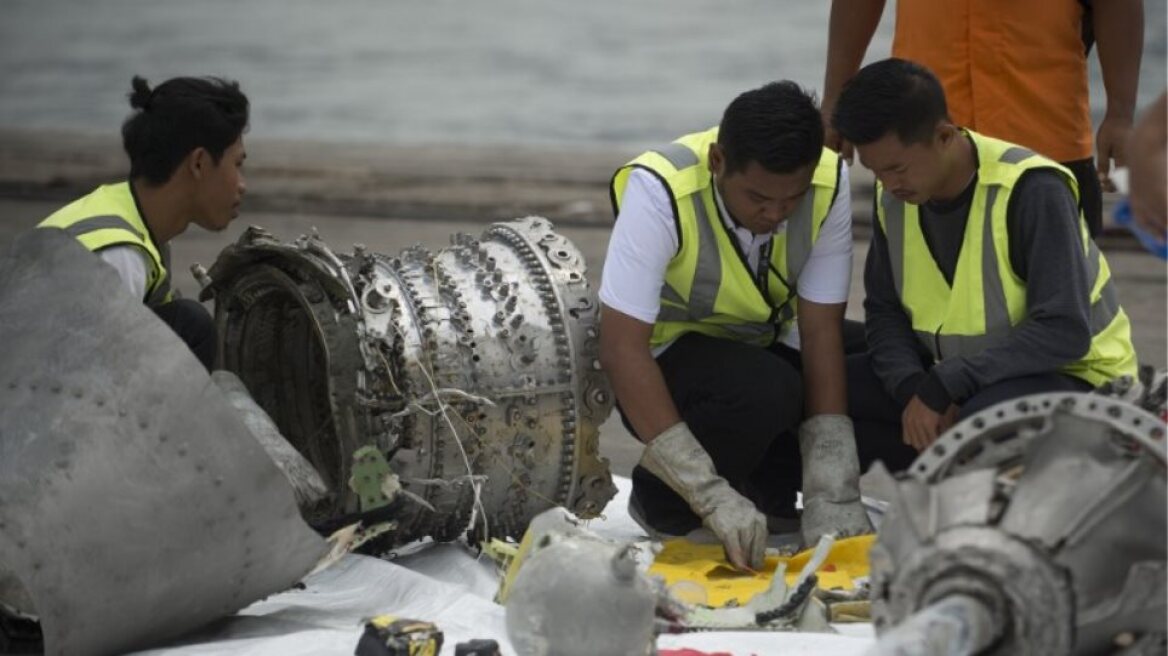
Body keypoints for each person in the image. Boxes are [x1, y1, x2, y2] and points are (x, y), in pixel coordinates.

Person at [600, 81, 905, 569]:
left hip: (763, 342)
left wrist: (832, 483)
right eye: (759, 197)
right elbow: (620, 348)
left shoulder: (827, 181)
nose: (776, 213)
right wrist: (706, 491)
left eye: (792, 199)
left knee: (887, 374)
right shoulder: (660, 189)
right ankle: (666, 499)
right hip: (663, 366)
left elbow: (820, 327)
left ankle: (769, 490)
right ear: (719, 160)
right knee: (768, 388)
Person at [832, 58, 1138, 453]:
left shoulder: (1033, 190)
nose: (889, 185)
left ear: (944, 136)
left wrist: (946, 385)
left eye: (898, 168)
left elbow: (1064, 330)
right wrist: (913, 389)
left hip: (1077, 378)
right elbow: (884, 311)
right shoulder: (893, 197)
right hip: (962, 379)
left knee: (982, 422)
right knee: (822, 388)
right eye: (877, 172)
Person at [819, 0, 1144, 237]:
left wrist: (1120, 113)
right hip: (922, 139)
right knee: (912, 301)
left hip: (1045, 138)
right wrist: (835, 96)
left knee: (1062, 303)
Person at [38, 75, 249, 371]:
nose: (242, 184)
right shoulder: (118, 256)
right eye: (237, 165)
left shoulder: (128, 216)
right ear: (199, 163)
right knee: (191, 325)